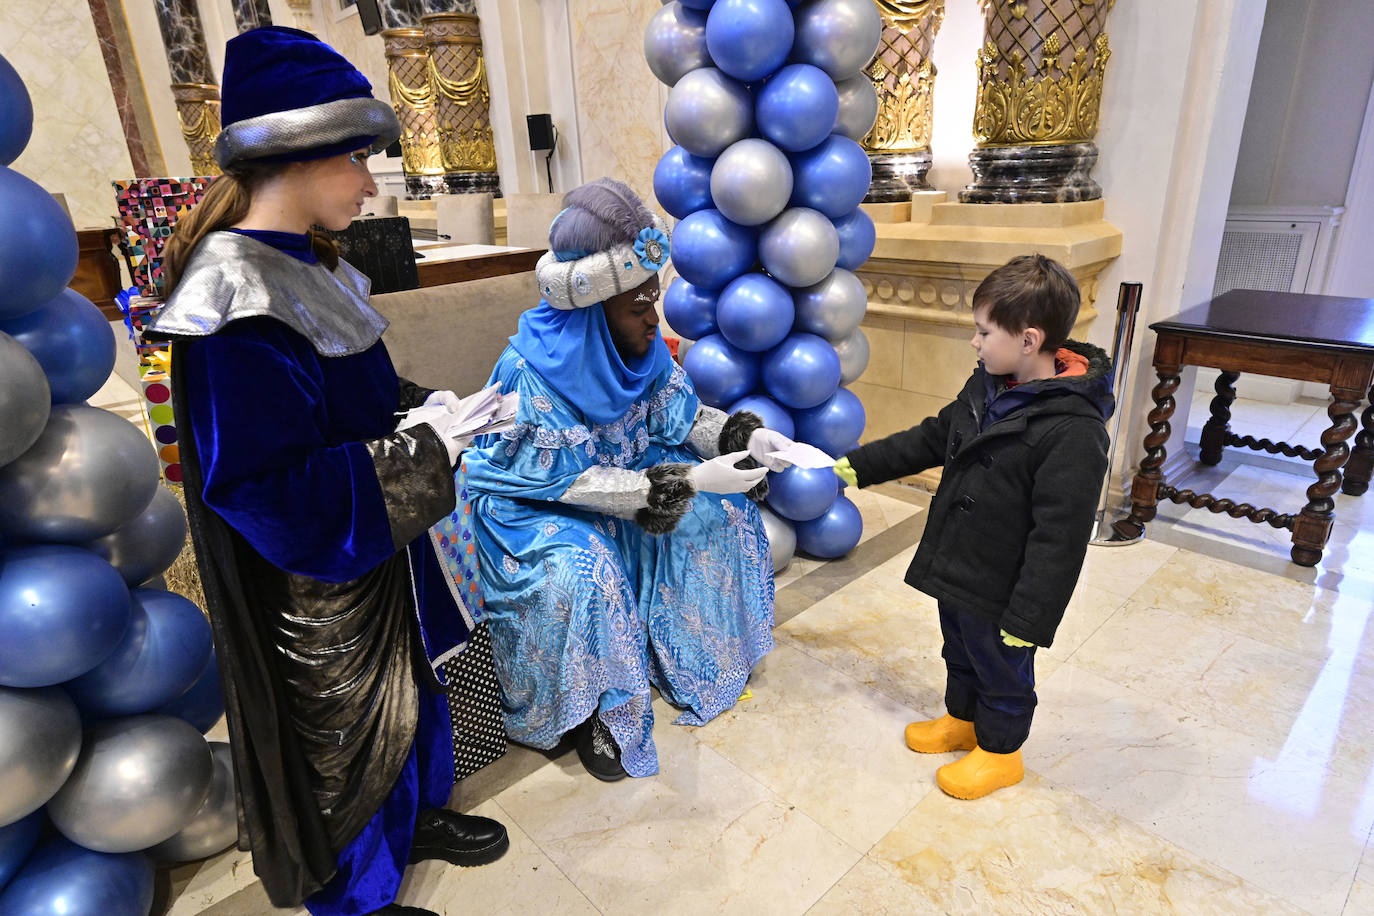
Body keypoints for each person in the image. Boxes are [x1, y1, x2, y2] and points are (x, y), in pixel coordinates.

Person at [151, 27, 507, 916]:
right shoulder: (233, 297)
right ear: (300, 153)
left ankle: (415, 816)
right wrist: (428, 453)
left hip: (376, 536)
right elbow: (264, 489)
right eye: (358, 158)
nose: (370, 181)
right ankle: (356, 894)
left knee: (412, 684)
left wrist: (433, 412)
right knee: (343, 733)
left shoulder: (316, 263)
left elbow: (358, 393)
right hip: (316, 579)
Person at [455, 178, 795, 781]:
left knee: (721, 512)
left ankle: (700, 652)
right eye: (638, 304)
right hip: (531, 508)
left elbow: (682, 418)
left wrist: (740, 439)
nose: (652, 318)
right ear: (592, 310)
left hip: (619, 490)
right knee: (588, 568)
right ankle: (600, 716)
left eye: (652, 298)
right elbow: (566, 483)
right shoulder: (531, 374)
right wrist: (684, 481)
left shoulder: (643, 352)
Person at [834, 254, 1112, 800]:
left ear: (1029, 340)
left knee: (1002, 664)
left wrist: (1030, 618)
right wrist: (861, 464)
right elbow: (934, 436)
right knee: (958, 648)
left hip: (1005, 585)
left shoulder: (1074, 433)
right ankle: (963, 720)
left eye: (984, 331)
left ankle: (1002, 750)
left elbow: (1060, 539)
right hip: (959, 560)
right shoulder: (986, 387)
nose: (975, 342)